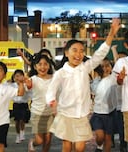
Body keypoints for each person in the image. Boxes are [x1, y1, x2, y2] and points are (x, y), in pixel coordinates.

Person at [45, 18, 120, 152]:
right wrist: (52, 103)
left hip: (82, 114)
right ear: (67, 53)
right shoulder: (61, 73)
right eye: (75, 50)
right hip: (66, 114)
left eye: (81, 51)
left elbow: (99, 54)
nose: (78, 54)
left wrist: (111, 34)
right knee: (67, 146)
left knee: (80, 147)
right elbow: (51, 91)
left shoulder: (85, 68)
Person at [25, 54, 55, 152]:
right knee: (40, 140)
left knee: (48, 139)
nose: (43, 67)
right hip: (37, 113)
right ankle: (32, 142)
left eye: (45, 64)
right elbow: (27, 88)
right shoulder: (33, 79)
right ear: (35, 66)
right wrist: (28, 85)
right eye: (40, 64)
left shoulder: (54, 78)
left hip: (50, 113)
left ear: (49, 66)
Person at [90, 58, 117, 152]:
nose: (105, 68)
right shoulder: (96, 81)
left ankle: (102, 148)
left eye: (107, 65)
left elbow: (117, 62)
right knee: (100, 137)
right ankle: (99, 146)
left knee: (108, 138)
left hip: (110, 113)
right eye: (102, 66)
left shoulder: (113, 78)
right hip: (98, 113)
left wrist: (113, 50)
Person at [110, 44, 128, 152]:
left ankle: (123, 145)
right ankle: (113, 142)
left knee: (123, 128)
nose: (120, 61)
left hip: (125, 105)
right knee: (114, 126)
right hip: (113, 104)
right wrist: (113, 50)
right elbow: (116, 60)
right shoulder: (114, 72)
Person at [10, 69, 31, 144]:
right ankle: (17, 135)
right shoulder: (12, 85)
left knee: (22, 120)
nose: (18, 78)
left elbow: (29, 92)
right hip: (16, 104)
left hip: (24, 104)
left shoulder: (26, 85)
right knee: (17, 121)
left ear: (23, 77)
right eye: (16, 76)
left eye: (19, 76)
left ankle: (22, 132)